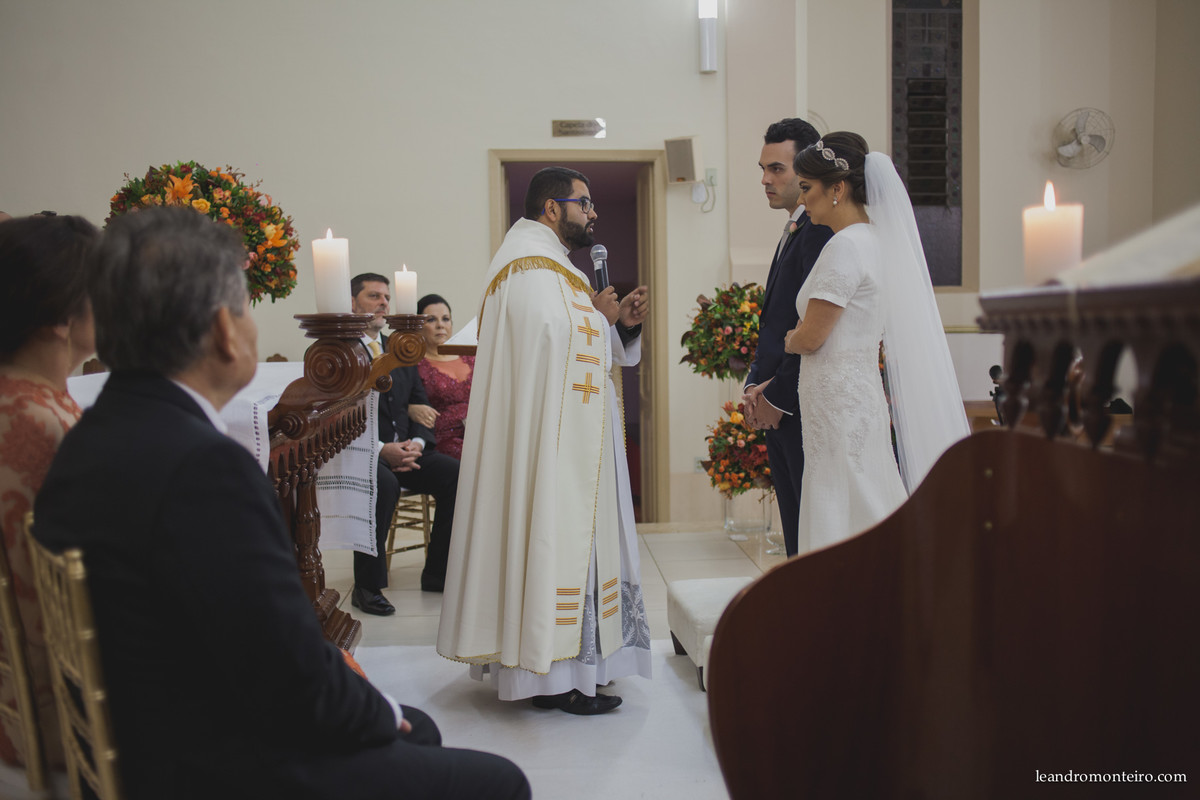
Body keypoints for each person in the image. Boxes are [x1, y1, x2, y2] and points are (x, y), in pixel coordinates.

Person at [34, 207, 530, 800]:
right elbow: (287, 668)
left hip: (144, 726)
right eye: (246, 306)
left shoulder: (90, 433)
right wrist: (377, 715)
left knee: (415, 728)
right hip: (205, 762)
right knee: (500, 782)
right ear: (225, 328)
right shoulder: (203, 467)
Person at [437, 167, 652, 715]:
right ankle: (554, 677)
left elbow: (572, 343)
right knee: (557, 539)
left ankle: (576, 669)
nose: (593, 213)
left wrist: (619, 325)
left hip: (573, 436)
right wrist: (597, 318)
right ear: (552, 208)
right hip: (552, 445)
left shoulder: (555, 267)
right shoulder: (526, 267)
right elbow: (552, 338)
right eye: (585, 203)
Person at [783, 132, 969, 549]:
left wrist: (791, 338)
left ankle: (849, 579)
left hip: (837, 399)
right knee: (864, 485)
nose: (803, 198)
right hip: (856, 392)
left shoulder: (845, 247)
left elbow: (812, 337)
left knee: (843, 489)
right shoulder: (876, 241)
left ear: (837, 189)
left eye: (807, 188)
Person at [0, 213, 99, 773]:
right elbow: (55, 601)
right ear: (62, 317)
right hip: (55, 718)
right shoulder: (37, 420)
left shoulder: (30, 396)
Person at [741, 118, 834, 557]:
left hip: (801, 406)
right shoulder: (795, 228)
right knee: (796, 531)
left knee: (811, 532)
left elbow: (815, 330)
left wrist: (776, 399)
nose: (765, 179)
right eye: (763, 169)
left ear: (807, 170)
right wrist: (753, 387)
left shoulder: (819, 231)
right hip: (778, 401)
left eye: (776, 169)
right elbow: (776, 325)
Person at [351, 274, 459, 607]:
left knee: (457, 475)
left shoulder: (399, 350)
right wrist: (382, 450)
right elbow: (337, 418)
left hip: (407, 450)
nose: (384, 303)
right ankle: (367, 587)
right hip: (363, 452)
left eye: (386, 297)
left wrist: (418, 444)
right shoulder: (338, 352)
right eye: (374, 296)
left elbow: (419, 403)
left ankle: (438, 573)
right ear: (352, 303)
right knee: (383, 485)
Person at [415, 293, 474, 460]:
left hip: (478, 432)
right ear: (419, 326)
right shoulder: (414, 365)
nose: (440, 325)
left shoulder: (471, 357)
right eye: (431, 320)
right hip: (442, 439)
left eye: (445, 319)